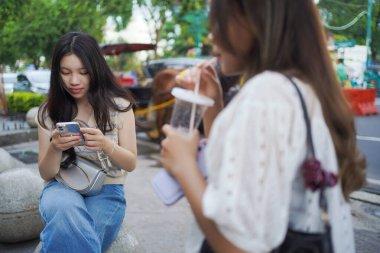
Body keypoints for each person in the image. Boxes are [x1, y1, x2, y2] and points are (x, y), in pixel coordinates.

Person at [160, 1, 366, 253]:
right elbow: (245, 176)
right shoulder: (299, 89)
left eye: (218, 21)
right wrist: (213, 105)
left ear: (251, 21)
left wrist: (184, 166)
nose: (212, 36)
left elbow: (237, 244)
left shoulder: (266, 94)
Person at [36, 32, 137, 252]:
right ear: (57, 73)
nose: (74, 81)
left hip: (107, 191)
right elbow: (45, 172)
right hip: (61, 187)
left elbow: (130, 163)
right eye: (65, 72)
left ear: (96, 70)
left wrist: (106, 144)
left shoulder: (119, 107)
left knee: (73, 236)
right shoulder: (48, 112)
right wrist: (55, 147)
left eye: (83, 72)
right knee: (63, 211)